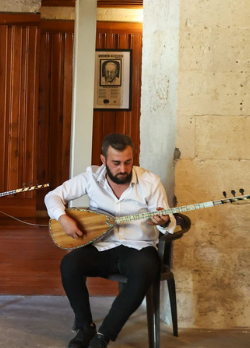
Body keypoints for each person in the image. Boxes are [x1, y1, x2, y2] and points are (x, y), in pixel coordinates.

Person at [45, 133, 176, 348]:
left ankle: (103, 337)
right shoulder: (90, 177)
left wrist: (162, 221)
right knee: (70, 264)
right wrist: (63, 218)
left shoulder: (150, 182)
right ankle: (85, 328)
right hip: (102, 246)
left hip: (139, 248)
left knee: (144, 270)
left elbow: (169, 223)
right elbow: (53, 196)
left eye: (128, 162)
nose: (123, 169)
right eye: (116, 163)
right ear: (103, 160)